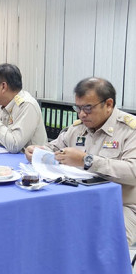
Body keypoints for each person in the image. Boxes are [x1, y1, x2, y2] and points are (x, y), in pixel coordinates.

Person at [25, 77, 136, 246]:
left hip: (122, 204)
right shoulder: (79, 127)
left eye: (88, 108)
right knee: (46, 230)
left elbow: (132, 172)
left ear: (108, 104)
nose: (82, 114)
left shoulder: (129, 130)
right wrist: (38, 151)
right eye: (78, 108)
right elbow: (54, 147)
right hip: (79, 200)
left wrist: (86, 160)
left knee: (102, 244)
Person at [0, 63, 47, 153]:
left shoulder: (27, 105)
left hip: (26, 163)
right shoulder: (2, 106)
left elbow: (14, 145)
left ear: (3, 86)